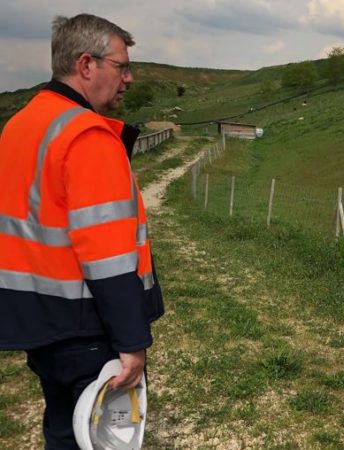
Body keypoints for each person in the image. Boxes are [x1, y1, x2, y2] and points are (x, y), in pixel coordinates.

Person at [0, 14, 163, 449]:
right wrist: (131, 344)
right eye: (121, 66)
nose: (128, 78)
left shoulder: (20, 126)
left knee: (61, 430)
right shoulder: (87, 136)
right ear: (86, 65)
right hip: (87, 329)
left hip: (38, 325)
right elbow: (107, 257)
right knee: (99, 438)